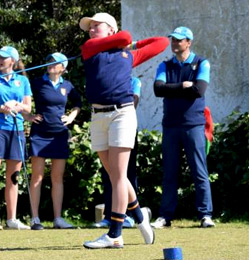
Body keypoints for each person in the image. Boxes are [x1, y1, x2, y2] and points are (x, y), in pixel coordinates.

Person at [78, 12, 169, 249]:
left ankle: (115, 234)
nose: (91, 29)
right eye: (90, 26)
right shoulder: (89, 49)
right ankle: (139, 216)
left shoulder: (128, 54)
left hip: (122, 113)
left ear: (110, 29)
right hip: (98, 116)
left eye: (96, 25)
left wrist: (132, 45)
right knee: (116, 175)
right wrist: (124, 41)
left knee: (119, 175)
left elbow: (162, 42)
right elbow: (125, 35)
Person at [151, 27, 215, 229]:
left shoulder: (201, 63)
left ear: (189, 42)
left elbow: (199, 90)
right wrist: (182, 86)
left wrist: (180, 88)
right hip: (170, 125)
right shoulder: (165, 64)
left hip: (194, 125)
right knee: (169, 172)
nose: (175, 43)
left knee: (199, 171)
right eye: (173, 40)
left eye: (179, 40)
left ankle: (205, 215)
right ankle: (165, 216)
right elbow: (158, 89)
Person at [25, 52, 82, 230]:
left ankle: (58, 219)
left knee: (57, 177)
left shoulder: (68, 85)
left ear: (63, 68)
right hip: (40, 133)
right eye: (49, 61)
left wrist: (72, 116)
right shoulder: (37, 82)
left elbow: (78, 103)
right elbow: (22, 99)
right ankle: (35, 219)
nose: (50, 64)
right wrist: (28, 116)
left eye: (55, 62)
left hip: (59, 134)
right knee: (37, 176)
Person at [0, 46, 33, 230]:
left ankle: (12, 219)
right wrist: (2, 107)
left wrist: (17, 105)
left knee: (13, 177)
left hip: (17, 129)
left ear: (13, 61)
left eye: (3, 58)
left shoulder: (23, 81)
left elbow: (28, 108)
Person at [94, 77, 144, 229]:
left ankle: (128, 216)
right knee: (110, 174)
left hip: (124, 126)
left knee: (126, 174)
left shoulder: (134, 81)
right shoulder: (106, 80)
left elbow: (132, 103)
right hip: (106, 126)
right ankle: (110, 215)